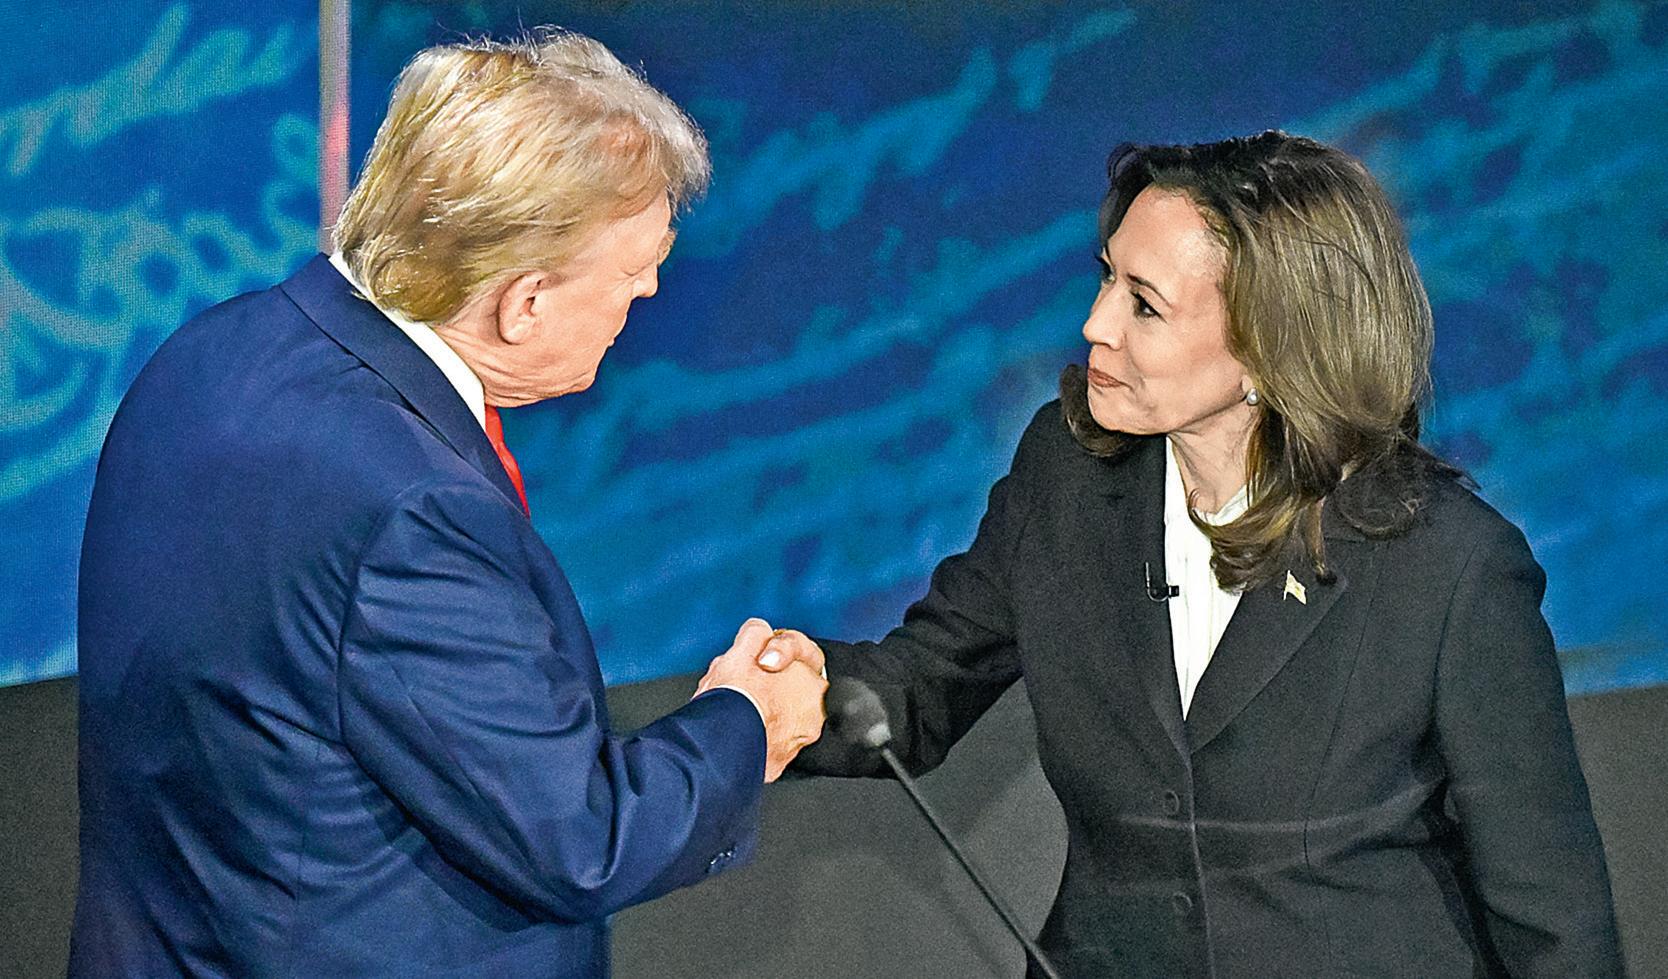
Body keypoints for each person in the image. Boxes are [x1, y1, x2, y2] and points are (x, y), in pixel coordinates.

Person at [756, 132, 1623, 977]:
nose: (1096, 324)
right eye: (1107, 277)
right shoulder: (1065, 475)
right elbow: (924, 682)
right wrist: (779, 697)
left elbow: (1553, 916)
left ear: (1269, 349)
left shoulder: (1452, 568)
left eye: (1145, 304)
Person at [71, 31, 825, 978]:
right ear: (524, 302)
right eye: (634, 278)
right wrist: (746, 722)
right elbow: (580, 838)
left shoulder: (210, 352)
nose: (650, 290)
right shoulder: (415, 509)